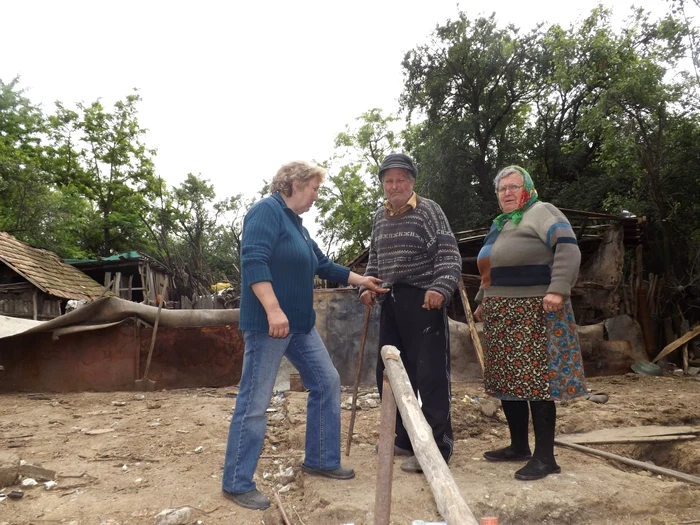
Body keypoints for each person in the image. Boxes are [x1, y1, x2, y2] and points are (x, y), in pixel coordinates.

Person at [222, 160, 387, 510]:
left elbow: (323, 264)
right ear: (292, 183)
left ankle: (321, 459)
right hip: (271, 325)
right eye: (313, 188)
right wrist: (272, 308)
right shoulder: (265, 212)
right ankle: (237, 482)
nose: (316, 195)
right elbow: (254, 261)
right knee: (254, 402)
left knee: (326, 382)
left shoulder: (297, 226)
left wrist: (361, 280)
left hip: (299, 326)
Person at [474, 165, 587, 481]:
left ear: (527, 189)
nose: (507, 193)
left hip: (535, 309)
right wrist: (483, 299)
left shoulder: (542, 212)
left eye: (513, 187)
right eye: (502, 189)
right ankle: (519, 446)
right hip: (502, 313)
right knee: (508, 381)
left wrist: (558, 289)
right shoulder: (501, 224)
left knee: (537, 382)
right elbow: (489, 266)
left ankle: (545, 457)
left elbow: (567, 248)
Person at [359, 152, 462, 473]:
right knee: (389, 375)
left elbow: (449, 256)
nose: (394, 186)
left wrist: (440, 289)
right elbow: (374, 261)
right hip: (390, 303)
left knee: (429, 376)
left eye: (400, 179)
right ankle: (404, 438)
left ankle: (437, 447)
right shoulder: (379, 216)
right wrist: (366, 287)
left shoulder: (429, 211)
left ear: (412, 181)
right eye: (388, 181)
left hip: (424, 301)